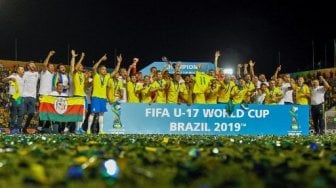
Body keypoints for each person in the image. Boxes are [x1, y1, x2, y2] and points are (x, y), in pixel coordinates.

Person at [87, 54, 120, 134]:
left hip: (103, 98)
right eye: (103, 69)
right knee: (92, 113)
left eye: (105, 69)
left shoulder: (107, 76)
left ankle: (101, 130)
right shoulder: (96, 75)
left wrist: (119, 62)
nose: (105, 70)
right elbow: (94, 68)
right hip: (95, 97)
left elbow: (115, 71)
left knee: (101, 114)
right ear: (99, 70)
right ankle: (88, 130)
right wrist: (101, 59)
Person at [2, 66, 25, 134]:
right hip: (14, 97)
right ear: (17, 71)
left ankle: (18, 128)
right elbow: (3, 80)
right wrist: (11, 78)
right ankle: (12, 128)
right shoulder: (14, 76)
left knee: (21, 113)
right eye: (21, 69)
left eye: (23, 69)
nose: (23, 70)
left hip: (20, 98)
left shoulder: (23, 78)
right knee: (14, 114)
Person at [37, 50, 55, 133]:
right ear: (47, 67)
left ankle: (46, 127)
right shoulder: (44, 72)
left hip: (50, 96)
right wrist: (49, 55)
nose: (52, 67)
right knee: (42, 111)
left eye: (53, 66)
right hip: (43, 94)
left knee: (50, 112)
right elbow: (44, 64)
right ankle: (40, 126)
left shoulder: (53, 74)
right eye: (50, 66)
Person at [70, 50, 87, 134]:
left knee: (83, 113)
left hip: (83, 95)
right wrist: (78, 57)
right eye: (80, 65)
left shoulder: (82, 75)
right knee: (78, 113)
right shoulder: (74, 74)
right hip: (77, 95)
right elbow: (73, 66)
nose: (81, 66)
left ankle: (80, 128)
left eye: (81, 65)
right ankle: (76, 129)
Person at [22, 62, 39, 133]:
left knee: (31, 113)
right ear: (28, 66)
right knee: (22, 113)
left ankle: (25, 127)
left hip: (33, 97)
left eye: (34, 65)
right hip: (24, 96)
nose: (33, 66)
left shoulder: (37, 74)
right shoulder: (25, 74)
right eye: (31, 65)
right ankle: (17, 128)